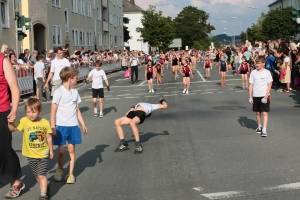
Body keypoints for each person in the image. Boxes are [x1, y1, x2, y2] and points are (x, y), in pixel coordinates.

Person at [7, 98, 53, 200]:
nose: (30, 114)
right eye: (28, 111)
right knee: (37, 176)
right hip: (30, 155)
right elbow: (13, 129)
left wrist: (51, 150)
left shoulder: (45, 122)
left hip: (43, 154)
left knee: (41, 175)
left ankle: (43, 194)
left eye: (33, 112)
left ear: (40, 111)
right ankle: (45, 186)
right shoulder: (24, 121)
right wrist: (10, 123)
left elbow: (49, 137)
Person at [51, 67, 87, 184]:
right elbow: (53, 111)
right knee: (61, 151)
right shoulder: (59, 92)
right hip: (61, 126)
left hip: (73, 126)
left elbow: (77, 110)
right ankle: (60, 168)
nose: (77, 79)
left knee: (71, 149)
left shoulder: (75, 92)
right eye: (76, 78)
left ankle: (70, 174)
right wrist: (53, 127)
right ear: (70, 79)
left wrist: (83, 124)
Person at [0, 53, 24, 199]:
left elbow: (14, 89)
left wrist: (14, 109)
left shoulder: (3, 60)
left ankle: (16, 181)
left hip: (1, 110)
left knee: (3, 148)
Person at [249, 55, 273, 137]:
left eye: (259, 63)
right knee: (258, 112)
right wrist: (250, 97)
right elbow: (251, 85)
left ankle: (264, 129)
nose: (257, 65)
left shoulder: (267, 72)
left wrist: (266, 96)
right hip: (256, 95)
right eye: (256, 63)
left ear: (263, 63)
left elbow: (269, 85)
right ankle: (259, 126)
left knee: (265, 113)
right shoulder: (253, 72)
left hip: (264, 95)